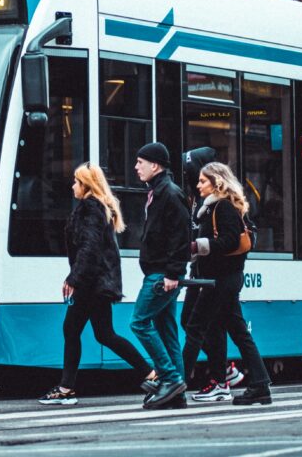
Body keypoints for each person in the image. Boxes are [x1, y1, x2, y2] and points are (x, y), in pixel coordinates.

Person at [39, 163, 154, 405]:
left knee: (73, 330)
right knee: (104, 334)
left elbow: (89, 248)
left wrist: (74, 279)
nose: (72, 186)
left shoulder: (90, 207)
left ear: (85, 185)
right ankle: (150, 374)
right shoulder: (98, 207)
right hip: (98, 282)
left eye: (75, 182)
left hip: (92, 284)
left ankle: (66, 388)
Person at [187, 162, 272, 406]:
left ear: (217, 183)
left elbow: (229, 242)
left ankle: (176, 383)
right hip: (224, 279)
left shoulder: (223, 207)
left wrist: (197, 247)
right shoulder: (216, 207)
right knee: (238, 332)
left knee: (195, 327)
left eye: (203, 181)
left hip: (222, 280)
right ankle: (260, 384)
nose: (198, 185)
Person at [130, 142, 191, 411]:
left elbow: (181, 235)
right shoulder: (158, 191)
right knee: (167, 331)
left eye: (140, 162)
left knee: (139, 323)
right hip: (159, 271)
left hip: (161, 274)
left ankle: (169, 377)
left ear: (155, 165)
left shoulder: (169, 193)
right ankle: (176, 392)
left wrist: (173, 272)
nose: (136, 167)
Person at [179, 147, 242, 390]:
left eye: (198, 175)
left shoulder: (220, 204)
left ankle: (218, 376)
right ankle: (225, 371)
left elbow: (234, 238)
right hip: (200, 271)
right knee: (192, 321)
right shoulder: (197, 199)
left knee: (206, 325)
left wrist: (199, 246)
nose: (194, 179)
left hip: (216, 273)